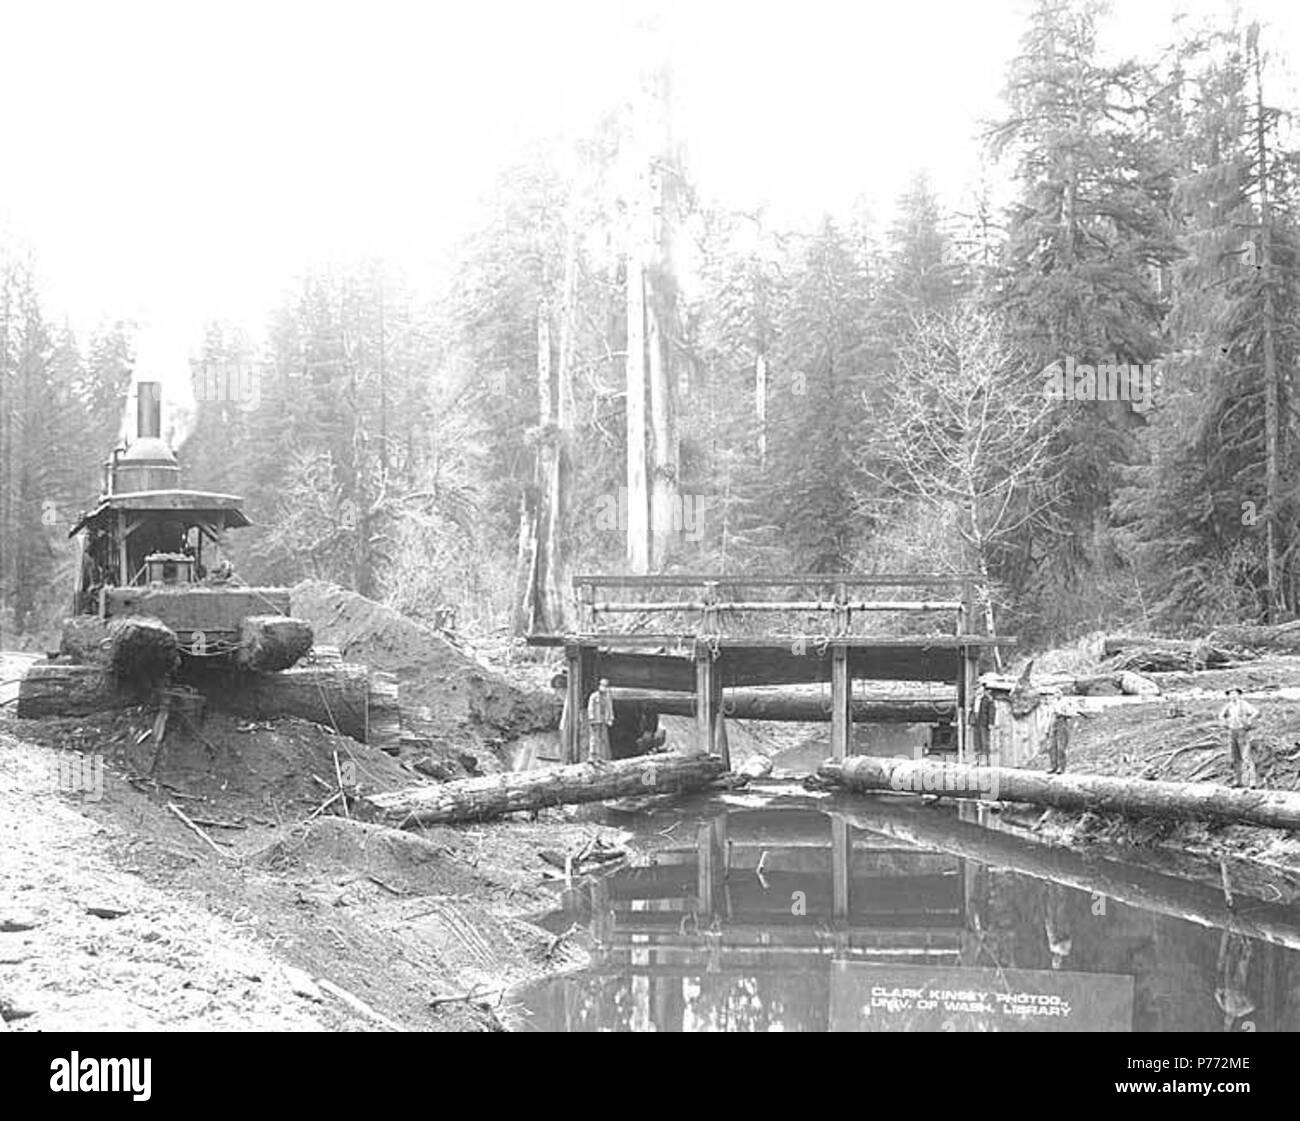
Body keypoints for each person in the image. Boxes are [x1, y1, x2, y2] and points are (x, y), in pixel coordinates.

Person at [1218, 688, 1260, 787]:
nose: (1233, 696)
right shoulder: (1229, 706)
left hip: (1242, 731)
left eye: (1235, 694)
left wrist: (1248, 720)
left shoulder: (1244, 704)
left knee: (1246, 757)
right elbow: (1221, 715)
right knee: (1235, 757)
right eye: (1231, 694)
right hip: (1232, 731)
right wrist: (1225, 723)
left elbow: (1256, 712)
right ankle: (1238, 781)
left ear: (1239, 695)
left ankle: (1252, 782)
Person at [586, 677, 615, 764]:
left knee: (602, 739)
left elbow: (609, 708)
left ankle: (600, 757)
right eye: (603, 685)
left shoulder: (607, 697)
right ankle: (592, 757)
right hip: (595, 720)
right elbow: (590, 707)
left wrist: (610, 718)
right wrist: (591, 718)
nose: (604, 687)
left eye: (606, 685)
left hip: (603, 720)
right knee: (594, 738)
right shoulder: (594, 696)